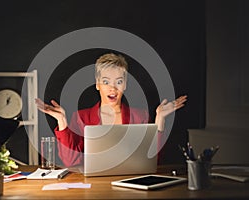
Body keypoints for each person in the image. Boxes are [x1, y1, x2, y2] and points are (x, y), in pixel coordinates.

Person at [35, 53, 187, 167]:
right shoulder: (81, 117)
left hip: (130, 184)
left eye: (119, 82)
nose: (113, 88)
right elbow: (71, 161)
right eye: (106, 81)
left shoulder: (140, 116)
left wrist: (159, 119)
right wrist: (62, 121)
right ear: (97, 84)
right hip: (94, 187)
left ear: (125, 84)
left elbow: (154, 160)